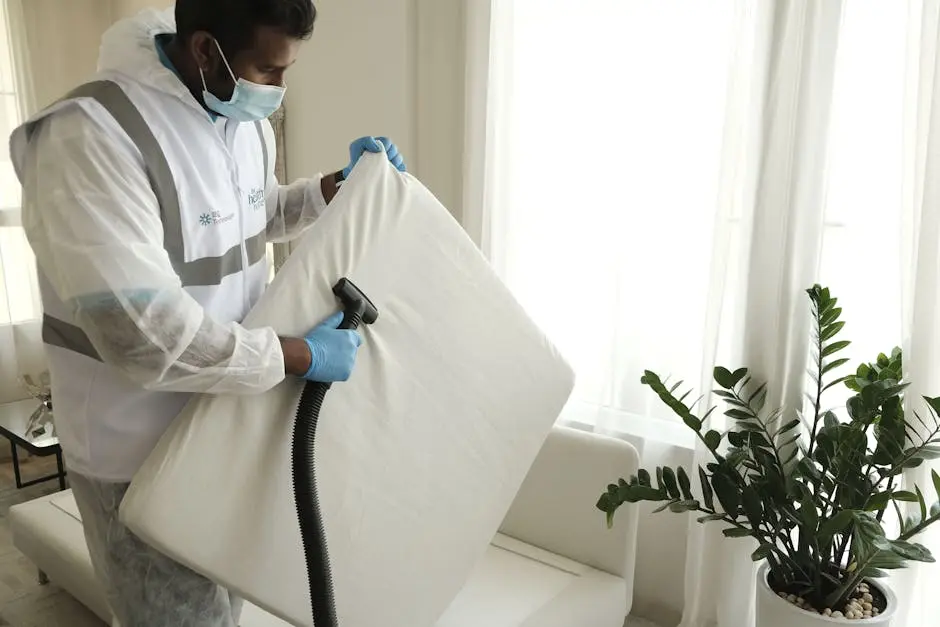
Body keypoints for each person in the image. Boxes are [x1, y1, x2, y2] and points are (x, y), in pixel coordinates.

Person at [9, 1, 406, 625]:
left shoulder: (237, 119)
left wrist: (332, 188)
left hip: (227, 424)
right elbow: (139, 335)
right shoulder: (90, 135)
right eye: (268, 71)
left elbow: (255, 217)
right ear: (203, 49)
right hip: (134, 451)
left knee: (228, 610)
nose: (277, 89)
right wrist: (294, 354)